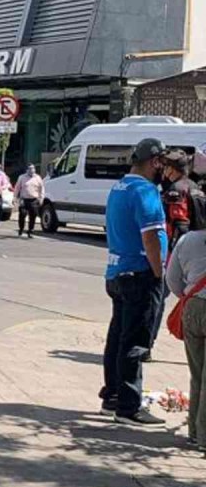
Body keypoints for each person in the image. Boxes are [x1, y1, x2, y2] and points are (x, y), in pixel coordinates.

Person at [100, 138, 168, 427]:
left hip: (117, 272)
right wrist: (158, 272)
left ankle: (113, 396)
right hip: (140, 273)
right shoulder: (145, 190)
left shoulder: (119, 188)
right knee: (135, 341)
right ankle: (128, 407)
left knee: (117, 337)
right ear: (154, 162)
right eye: (162, 163)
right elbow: (150, 236)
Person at [148, 150, 206, 360]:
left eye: (166, 167)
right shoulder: (197, 188)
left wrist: (172, 255)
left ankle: (146, 345)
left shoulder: (175, 191)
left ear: (172, 169)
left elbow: (179, 224)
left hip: (181, 253)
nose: (163, 171)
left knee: (157, 298)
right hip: (199, 253)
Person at [166, 228, 206, 451]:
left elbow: (172, 279)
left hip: (192, 307)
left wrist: (187, 294)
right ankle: (204, 437)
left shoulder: (187, 239)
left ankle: (194, 432)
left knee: (197, 374)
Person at [14, 164, 45, 238]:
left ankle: (30, 231)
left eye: (33, 168)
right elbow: (17, 188)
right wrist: (15, 197)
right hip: (24, 199)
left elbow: (42, 188)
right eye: (30, 168)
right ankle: (21, 229)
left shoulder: (38, 178)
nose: (32, 170)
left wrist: (41, 198)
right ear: (26, 170)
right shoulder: (22, 177)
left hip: (34, 200)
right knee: (22, 214)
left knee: (33, 216)